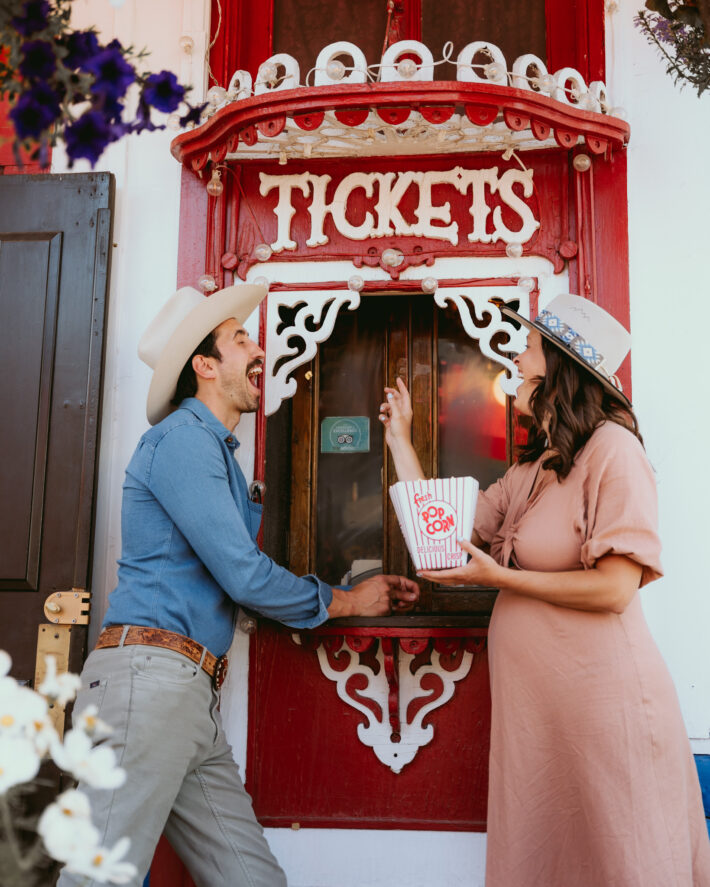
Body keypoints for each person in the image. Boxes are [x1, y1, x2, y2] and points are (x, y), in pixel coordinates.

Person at [58, 283, 419, 887]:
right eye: (241, 339)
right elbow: (244, 575)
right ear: (204, 365)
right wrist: (347, 599)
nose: (259, 350)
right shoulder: (181, 441)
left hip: (186, 695)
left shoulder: (215, 453)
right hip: (145, 685)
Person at [379, 293, 710, 887]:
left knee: (619, 855)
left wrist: (497, 578)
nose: (517, 357)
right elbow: (447, 527)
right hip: (541, 717)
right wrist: (401, 440)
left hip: (602, 705)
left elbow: (615, 589)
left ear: (560, 368)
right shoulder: (533, 468)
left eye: (529, 348)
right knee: (550, 856)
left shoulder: (615, 452)